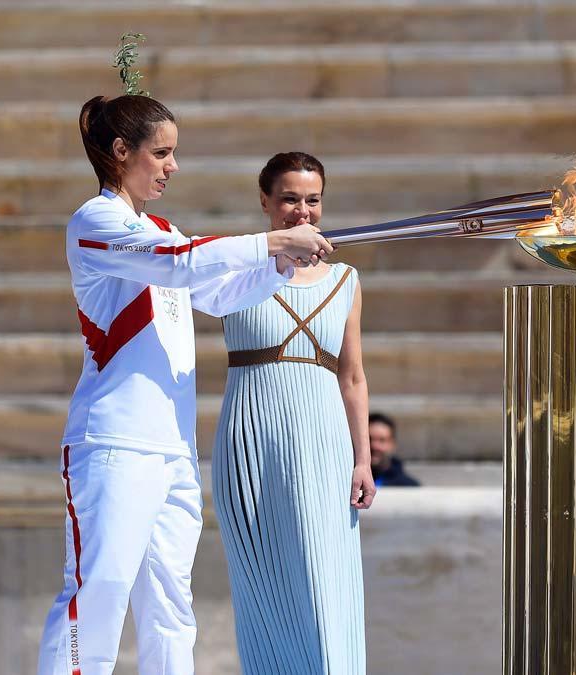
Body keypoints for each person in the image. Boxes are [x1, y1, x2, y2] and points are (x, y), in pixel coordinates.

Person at [37, 96, 333, 675]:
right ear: (122, 152)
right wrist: (272, 242)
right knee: (99, 592)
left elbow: (216, 293)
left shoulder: (162, 229)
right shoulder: (95, 223)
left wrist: (280, 266)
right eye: (163, 153)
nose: (173, 167)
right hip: (113, 444)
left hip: (172, 449)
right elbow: (177, 262)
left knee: (172, 606)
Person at [211, 152, 375, 674]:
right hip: (250, 440)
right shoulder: (236, 267)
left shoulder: (345, 280)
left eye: (312, 200)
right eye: (288, 199)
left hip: (323, 440)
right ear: (264, 201)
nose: (301, 212)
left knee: (326, 583)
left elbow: (352, 377)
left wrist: (362, 460)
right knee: (263, 594)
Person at [368, 412, 420, 487]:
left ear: (392, 444)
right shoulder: (348, 482)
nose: (374, 446)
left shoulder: (409, 487)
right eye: (369, 439)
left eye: (382, 440)